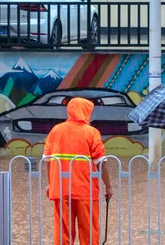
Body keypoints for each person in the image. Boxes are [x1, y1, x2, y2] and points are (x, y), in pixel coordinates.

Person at [44, 97, 115, 245]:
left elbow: (47, 160)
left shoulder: (56, 131)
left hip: (61, 190)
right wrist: (108, 186)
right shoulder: (91, 133)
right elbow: (101, 163)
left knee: (63, 232)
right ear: (85, 112)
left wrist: (51, 184)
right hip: (85, 191)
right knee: (88, 232)